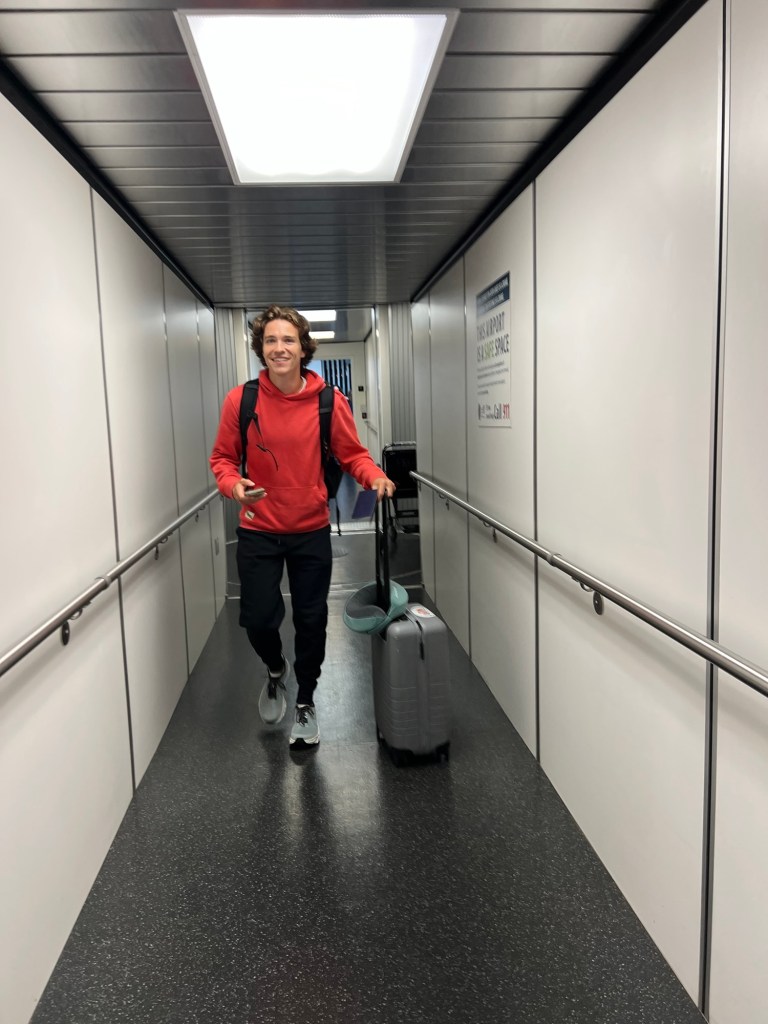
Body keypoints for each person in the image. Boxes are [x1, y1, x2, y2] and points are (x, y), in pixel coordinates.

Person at [209, 305, 396, 750]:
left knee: (311, 620)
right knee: (258, 618)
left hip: (310, 530)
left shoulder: (328, 401)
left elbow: (353, 454)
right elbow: (222, 459)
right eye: (271, 340)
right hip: (258, 529)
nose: (279, 348)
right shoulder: (241, 401)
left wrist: (374, 476)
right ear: (261, 349)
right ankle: (276, 668)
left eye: (288, 340)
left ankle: (306, 699)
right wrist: (234, 486)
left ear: (303, 347)